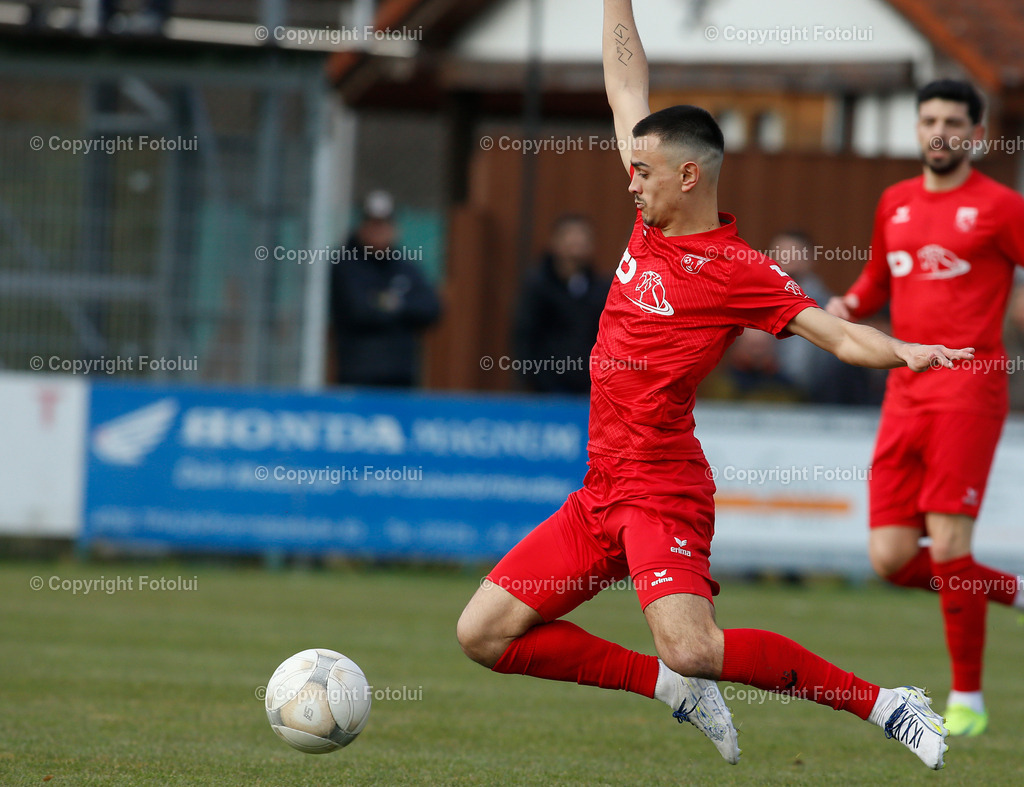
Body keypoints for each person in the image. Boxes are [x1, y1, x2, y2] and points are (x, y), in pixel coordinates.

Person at [457, 0, 971, 770]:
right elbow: (625, 83)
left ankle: (887, 702)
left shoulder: (740, 272)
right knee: (483, 633)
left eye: (644, 173)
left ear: (687, 174)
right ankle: (671, 689)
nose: (630, 185)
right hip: (600, 490)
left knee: (696, 645)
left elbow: (836, 335)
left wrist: (905, 350)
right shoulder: (646, 222)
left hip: (661, 489)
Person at [827, 79, 1024, 737]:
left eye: (953, 121)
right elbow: (879, 278)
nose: (940, 130)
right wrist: (848, 307)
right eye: (929, 119)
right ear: (917, 129)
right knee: (889, 557)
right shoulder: (895, 202)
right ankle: (1014, 590)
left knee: (946, 544)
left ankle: (967, 697)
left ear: (976, 134)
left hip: (970, 385)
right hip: (904, 385)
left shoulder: (1000, 206)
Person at [329, 190, 441, 387]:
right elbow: (359, 309)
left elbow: (431, 308)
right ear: (362, 226)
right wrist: (399, 306)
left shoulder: (404, 267)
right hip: (358, 376)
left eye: (384, 224)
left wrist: (389, 303)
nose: (378, 231)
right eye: (373, 224)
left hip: (401, 376)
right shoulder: (347, 265)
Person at [772, 230, 885, 405]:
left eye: (794, 252)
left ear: (810, 258)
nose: (787, 259)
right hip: (771, 395)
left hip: (819, 400)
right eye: (781, 252)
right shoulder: (759, 300)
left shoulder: (828, 306)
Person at [513, 215, 611, 394]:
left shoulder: (601, 288)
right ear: (555, 242)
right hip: (547, 389)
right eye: (570, 236)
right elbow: (525, 335)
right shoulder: (538, 286)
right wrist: (535, 379)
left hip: (589, 388)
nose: (577, 242)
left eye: (583, 237)